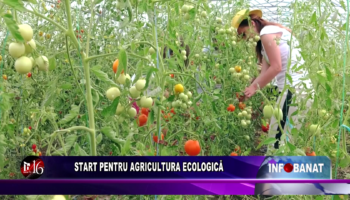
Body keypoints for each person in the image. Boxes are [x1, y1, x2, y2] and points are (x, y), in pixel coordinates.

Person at [231, 9, 313, 153]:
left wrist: (253, 88)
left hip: (293, 91)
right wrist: (250, 89)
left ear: (252, 23)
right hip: (298, 91)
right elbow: (264, 72)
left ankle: (273, 173)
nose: (246, 39)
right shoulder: (270, 36)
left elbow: (276, 67)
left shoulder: (266, 34)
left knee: (277, 142)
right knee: (285, 140)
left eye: (243, 34)